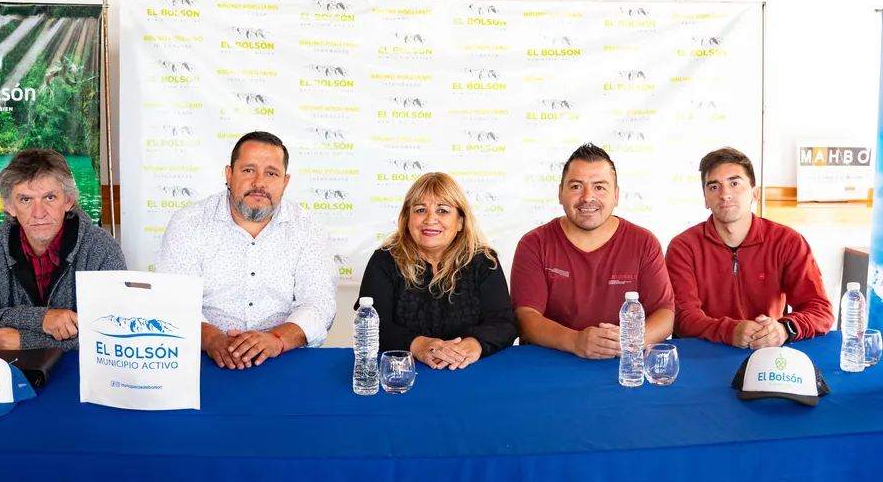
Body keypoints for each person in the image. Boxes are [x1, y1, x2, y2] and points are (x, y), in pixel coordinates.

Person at [155, 131, 337, 370]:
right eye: (249, 170)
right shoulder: (188, 223)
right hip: (203, 360)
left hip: (285, 358)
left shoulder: (308, 227)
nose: (259, 183)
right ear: (229, 175)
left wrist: (276, 340)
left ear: (285, 182)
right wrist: (212, 339)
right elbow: (173, 300)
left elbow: (320, 304)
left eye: (271, 173)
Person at [0, 149, 127, 351]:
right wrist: (41, 319)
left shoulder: (102, 249)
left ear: (68, 201)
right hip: (6, 369)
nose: (39, 213)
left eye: (49, 198)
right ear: (10, 206)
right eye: (26, 200)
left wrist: (26, 341)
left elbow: (119, 330)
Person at [511, 143, 674, 359]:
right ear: (560, 194)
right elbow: (525, 317)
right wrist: (575, 341)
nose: (588, 197)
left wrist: (630, 341)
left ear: (616, 195)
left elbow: (664, 314)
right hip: (550, 362)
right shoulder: (534, 243)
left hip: (621, 362)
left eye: (599, 187)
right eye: (576, 186)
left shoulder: (644, 242)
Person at [665, 147, 833, 348]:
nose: (725, 194)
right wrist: (731, 331)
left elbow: (819, 309)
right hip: (705, 354)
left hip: (768, 351)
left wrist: (784, 329)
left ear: (755, 194)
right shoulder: (683, 247)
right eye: (714, 187)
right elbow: (682, 317)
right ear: (706, 200)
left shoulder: (787, 241)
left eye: (734, 183)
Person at [356, 172, 517, 370]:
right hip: (403, 372)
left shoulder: (484, 261)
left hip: (467, 368)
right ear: (407, 219)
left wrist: (473, 344)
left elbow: (504, 323)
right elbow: (371, 325)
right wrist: (417, 344)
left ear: (460, 221)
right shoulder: (384, 260)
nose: (430, 219)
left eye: (442, 210)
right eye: (421, 210)